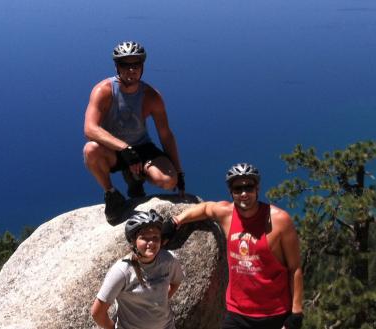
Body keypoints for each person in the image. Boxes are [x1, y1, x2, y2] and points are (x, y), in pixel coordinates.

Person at [172, 163, 303, 329]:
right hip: (237, 312)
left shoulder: (279, 220)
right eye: (237, 189)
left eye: (249, 187)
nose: (244, 193)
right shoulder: (226, 213)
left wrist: (296, 313)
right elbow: (205, 208)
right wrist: (176, 220)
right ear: (231, 192)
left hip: (275, 313)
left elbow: (295, 268)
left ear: (257, 188)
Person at [83, 41, 185, 224]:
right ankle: (111, 194)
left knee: (169, 180)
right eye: (125, 65)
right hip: (114, 149)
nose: (131, 70)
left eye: (136, 65)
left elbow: (165, 134)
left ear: (142, 66)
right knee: (90, 150)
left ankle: (135, 178)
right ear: (117, 66)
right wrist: (124, 148)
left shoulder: (152, 96)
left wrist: (179, 171)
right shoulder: (103, 91)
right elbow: (90, 129)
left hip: (143, 148)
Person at [91, 210, 185, 329]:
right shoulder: (122, 271)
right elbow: (97, 312)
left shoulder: (167, 260)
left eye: (156, 237)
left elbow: (176, 281)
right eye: (144, 238)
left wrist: (160, 301)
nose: (151, 242)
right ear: (133, 241)